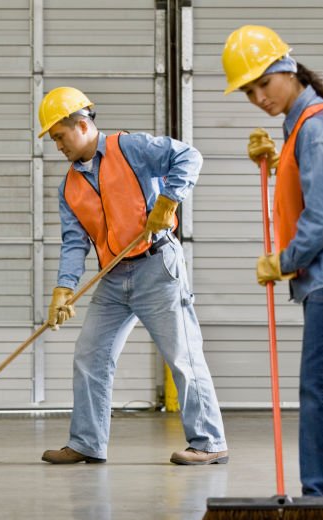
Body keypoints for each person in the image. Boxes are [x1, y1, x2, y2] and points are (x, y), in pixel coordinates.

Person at [221, 26, 323, 498]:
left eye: (263, 83)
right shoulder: (307, 123)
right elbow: (313, 182)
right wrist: (276, 161)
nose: (258, 97)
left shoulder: (314, 125)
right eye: (249, 91)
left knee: (319, 383)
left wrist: (283, 260)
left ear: (287, 68)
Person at [37, 86, 228, 466]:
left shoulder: (131, 148)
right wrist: (63, 289)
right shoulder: (70, 187)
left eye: (59, 136)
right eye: (54, 139)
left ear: (81, 124)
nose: (57, 145)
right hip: (111, 277)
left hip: (157, 266)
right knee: (90, 355)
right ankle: (87, 443)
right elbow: (75, 243)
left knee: (182, 355)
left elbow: (189, 156)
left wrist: (169, 200)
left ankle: (209, 442)